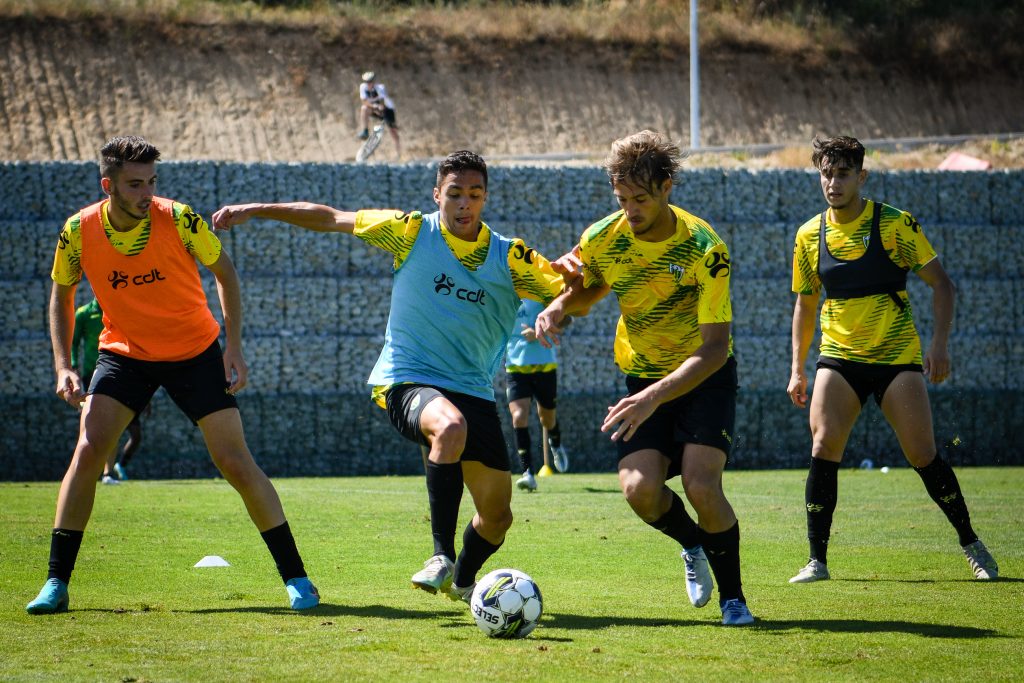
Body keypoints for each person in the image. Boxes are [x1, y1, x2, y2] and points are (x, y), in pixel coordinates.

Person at [212, 150, 566, 605]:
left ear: (485, 198)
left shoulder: (509, 255)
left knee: (497, 518)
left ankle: (462, 581)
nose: (464, 204)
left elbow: (568, 288)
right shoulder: (412, 231)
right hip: (407, 380)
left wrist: (558, 313)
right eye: (454, 194)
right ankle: (440, 556)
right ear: (437, 195)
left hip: (474, 390)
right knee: (449, 426)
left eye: (474, 195)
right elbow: (331, 217)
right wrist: (256, 209)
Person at [26, 135, 319, 615]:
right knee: (88, 448)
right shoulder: (77, 231)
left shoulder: (180, 218)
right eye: (135, 184)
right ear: (109, 186)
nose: (147, 192)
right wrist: (63, 365)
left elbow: (226, 274)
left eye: (152, 182)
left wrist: (234, 346)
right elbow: (61, 295)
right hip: (124, 354)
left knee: (234, 461)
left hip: (195, 352)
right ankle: (56, 583)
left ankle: (298, 579)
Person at [534, 130, 754, 626]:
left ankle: (734, 598)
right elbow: (586, 293)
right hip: (643, 376)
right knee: (639, 491)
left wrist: (653, 398)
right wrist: (558, 304)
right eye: (622, 199)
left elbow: (716, 348)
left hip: (704, 376)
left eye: (640, 198)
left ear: (667, 187)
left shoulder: (705, 247)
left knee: (701, 485)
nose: (630, 209)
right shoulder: (603, 237)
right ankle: (692, 543)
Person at [786, 135, 998, 583]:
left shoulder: (896, 225)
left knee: (922, 454)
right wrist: (796, 368)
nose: (833, 182)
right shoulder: (808, 235)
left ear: (861, 176)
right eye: (827, 173)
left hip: (895, 358)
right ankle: (816, 560)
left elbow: (943, 285)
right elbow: (805, 305)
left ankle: (971, 544)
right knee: (823, 446)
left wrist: (938, 346)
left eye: (843, 173)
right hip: (838, 358)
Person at [71, 296, 148, 484]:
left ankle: (108, 473)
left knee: (124, 430)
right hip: (92, 375)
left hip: (121, 373)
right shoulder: (83, 314)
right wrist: (72, 366)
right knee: (93, 426)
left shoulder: (121, 307)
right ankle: (91, 472)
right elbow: (73, 342)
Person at [505, 298, 571, 492]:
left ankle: (555, 443)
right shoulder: (505, 293)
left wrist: (540, 332)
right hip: (515, 367)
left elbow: (567, 318)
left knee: (547, 417)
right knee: (518, 417)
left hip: (545, 364)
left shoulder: (542, 289)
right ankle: (527, 472)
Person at [356, 71, 401, 159]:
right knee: (364, 108)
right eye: (366, 82)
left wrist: (380, 109)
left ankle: (398, 153)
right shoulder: (363, 87)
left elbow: (383, 102)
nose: (368, 83)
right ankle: (365, 131)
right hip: (375, 108)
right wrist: (374, 107)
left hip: (388, 110)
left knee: (393, 131)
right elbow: (364, 101)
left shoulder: (380, 88)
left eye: (370, 81)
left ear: (373, 81)